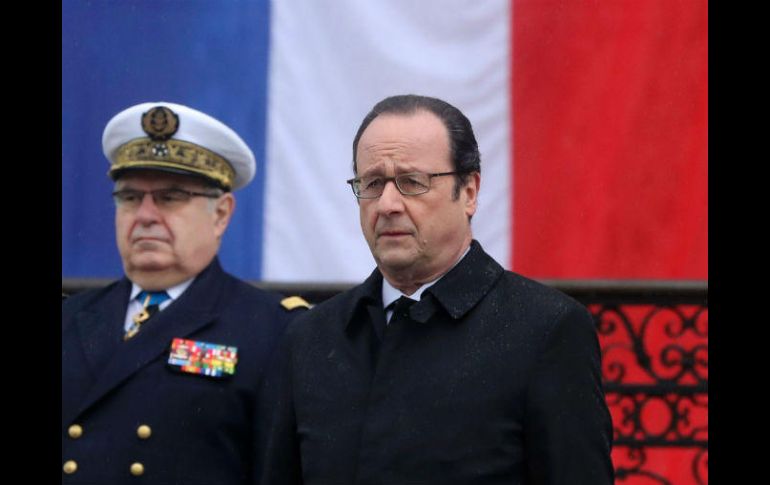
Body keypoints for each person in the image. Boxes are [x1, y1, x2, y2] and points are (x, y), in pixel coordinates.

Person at [257, 94, 614, 484]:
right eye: (372, 183)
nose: (387, 204)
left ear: (470, 192)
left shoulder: (545, 329)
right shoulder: (312, 335)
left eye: (412, 182)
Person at [62, 101, 309, 484]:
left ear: (221, 214)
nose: (144, 215)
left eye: (170, 197)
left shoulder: (275, 330)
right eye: (129, 197)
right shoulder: (70, 319)